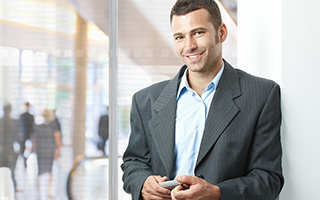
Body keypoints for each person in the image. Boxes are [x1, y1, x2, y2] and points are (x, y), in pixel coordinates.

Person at [121, 0, 284, 200]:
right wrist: (143, 183)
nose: (189, 46)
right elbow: (133, 162)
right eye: (180, 37)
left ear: (221, 32)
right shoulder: (145, 100)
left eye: (198, 33)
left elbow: (268, 179)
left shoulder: (262, 95)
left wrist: (217, 193)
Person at [34, 109, 61, 198]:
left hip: (41, 151)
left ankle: (38, 192)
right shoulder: (53, 127)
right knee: (50, 171)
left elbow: (34, 140)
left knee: (39, 171)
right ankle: (48, 191)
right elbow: (57, 138)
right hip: (49, 150)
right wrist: (58, 150)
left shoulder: (37, 127)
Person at [0, 104, 19, 190]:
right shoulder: (12, 122)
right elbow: (14, 136)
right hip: (8, 149)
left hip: (3, 148)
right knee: (11, 168)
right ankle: (14, 187)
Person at [19, 102, 34, 168]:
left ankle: (25, 159)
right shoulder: (21, 116)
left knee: (28, 149)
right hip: (23, 135)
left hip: (28, 135)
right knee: (22, 149)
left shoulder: (31, 116)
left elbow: (33, 127)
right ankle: (24, 160)